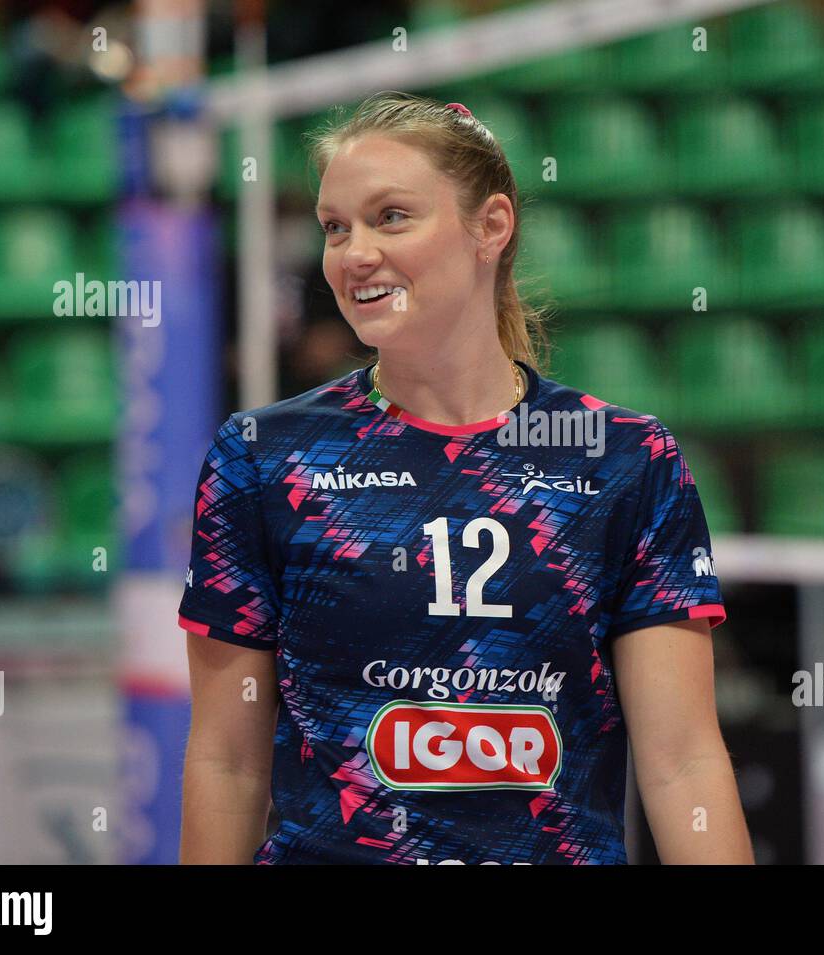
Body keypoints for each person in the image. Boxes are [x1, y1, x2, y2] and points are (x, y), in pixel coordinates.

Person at [176, 91, 753, 864]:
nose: (354, 254)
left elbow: (682, 761)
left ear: (491, 226)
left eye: (390, 217)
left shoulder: (621, 458)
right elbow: (227, 760)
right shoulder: (263, 457)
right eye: (335, 227)